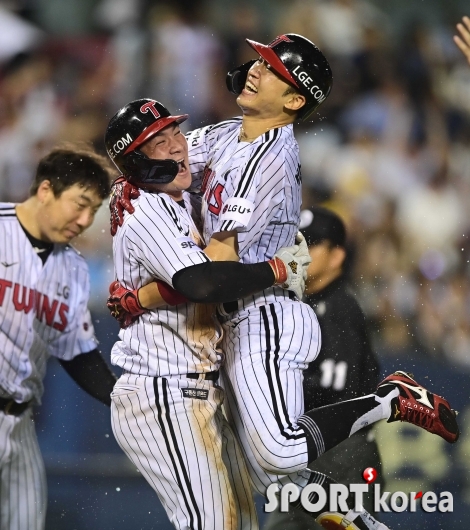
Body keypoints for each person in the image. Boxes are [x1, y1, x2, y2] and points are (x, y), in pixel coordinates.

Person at [108, 34, 459, 530]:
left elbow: (213, 269)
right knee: (269, 475)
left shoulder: (268, 159)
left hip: (262, 312)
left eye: (272, 69)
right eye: (260, 60)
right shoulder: (231, 133)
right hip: (231, 319)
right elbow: (161, 162)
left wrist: (143, 293)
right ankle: (361, 521)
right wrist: (126, 179)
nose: (255, 69)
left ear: (294, 100)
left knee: (279, 453)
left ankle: (391, 398)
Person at [104, 99, 311, 530]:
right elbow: (202, 283)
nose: (177, 145)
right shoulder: (146, 205)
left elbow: (189, 282)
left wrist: (139, 298)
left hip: (195, 388)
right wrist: (275, 269)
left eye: (175, 132)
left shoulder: (180, 195)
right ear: (136, 161)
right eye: (158, 142)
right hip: (163, 390)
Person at [0, 145, 118, 530]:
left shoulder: (73, 269)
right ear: (46, 190)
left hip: (20, 426)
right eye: (79, 203)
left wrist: (123, 400)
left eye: (94, 210)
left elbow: (78, 355)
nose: (85, 220)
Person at [263, 205, 385, 530]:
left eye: (314, 244)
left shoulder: (340, 307)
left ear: (336, 256)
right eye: (298, 242)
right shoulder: (298, 302)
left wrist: (270, 389)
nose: (302, 251)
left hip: (342, 450)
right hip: (308, 447)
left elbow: (336, 390)